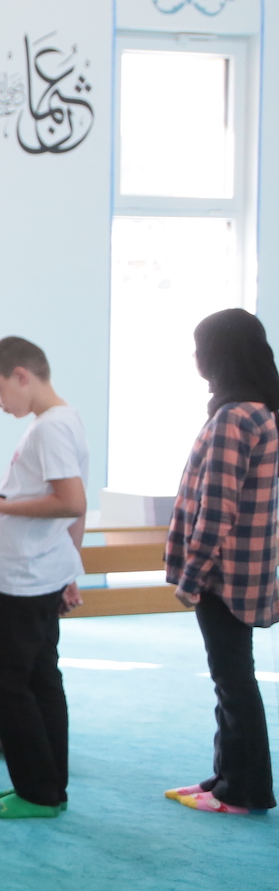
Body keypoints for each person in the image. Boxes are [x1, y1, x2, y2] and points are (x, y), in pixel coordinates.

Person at [0, 337, 87, 820]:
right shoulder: (62, 420)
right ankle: (49, 786)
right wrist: (72, 565)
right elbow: (75, 504)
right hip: (42, 568)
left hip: (27, 577)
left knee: (4, 681)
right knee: (40, 677)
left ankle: (36, 791)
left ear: (22, 376)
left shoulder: (49, 428)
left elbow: (70, 502)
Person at [163, 308, 279, 816]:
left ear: (220, 354)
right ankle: (227, 777)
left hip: (224, 575)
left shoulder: (235, 417)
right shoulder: (257, 411)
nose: (196, 358)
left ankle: (244, 791)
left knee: (233, 682)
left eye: (201, 348)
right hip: (243, 571)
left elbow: (216, 509)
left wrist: (191, 578)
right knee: (230, 679)